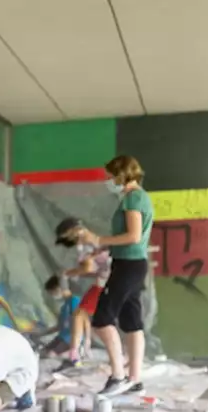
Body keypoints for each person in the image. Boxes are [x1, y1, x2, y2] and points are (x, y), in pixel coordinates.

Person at [73, 155, 154, 395]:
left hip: (128, 264)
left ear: (122, 174)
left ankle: (118, 375)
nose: (108, 180)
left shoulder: (133, 198)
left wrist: (98, 239)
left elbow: (133, 236)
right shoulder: (138, 197)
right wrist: (103, 246)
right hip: (131, 262)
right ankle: (135, 379)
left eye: (111, 175)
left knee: (101, 318)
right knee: (132, 321)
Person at [53, 217, 112, 367]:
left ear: (71, 231)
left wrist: (69, 273)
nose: (67, 240)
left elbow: (88, 267)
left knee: (87, 317)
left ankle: (76, 354)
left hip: (106, 282)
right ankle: (78, 352)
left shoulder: (83, 240)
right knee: (81, 315)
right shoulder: (92, 238)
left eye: (66, 236)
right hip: (106, 280)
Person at [43, 273, 80, 358]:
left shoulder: (75, 301)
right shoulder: (64, 307)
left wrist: (75, 345)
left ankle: (77, 352)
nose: (52, 296)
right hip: (62, 337)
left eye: (52, 292)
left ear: (59, 288)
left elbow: (78, 326)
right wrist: (41, 333)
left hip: (71, 339)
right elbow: (59, 326)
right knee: (43, 352)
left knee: (50, 355)